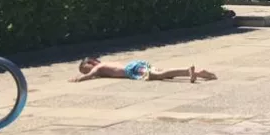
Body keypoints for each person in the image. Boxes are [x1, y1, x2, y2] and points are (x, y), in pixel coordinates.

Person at [73, 56, 215, 83]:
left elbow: (90, 75)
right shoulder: (106, 64)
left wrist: (78, 79)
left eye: (85, 69)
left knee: (158, 75)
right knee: (164, 74)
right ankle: (200, 73)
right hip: (135, 65)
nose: (86, 72)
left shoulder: (99, 67)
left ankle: (186, 70)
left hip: (132, 70)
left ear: (91, 63)